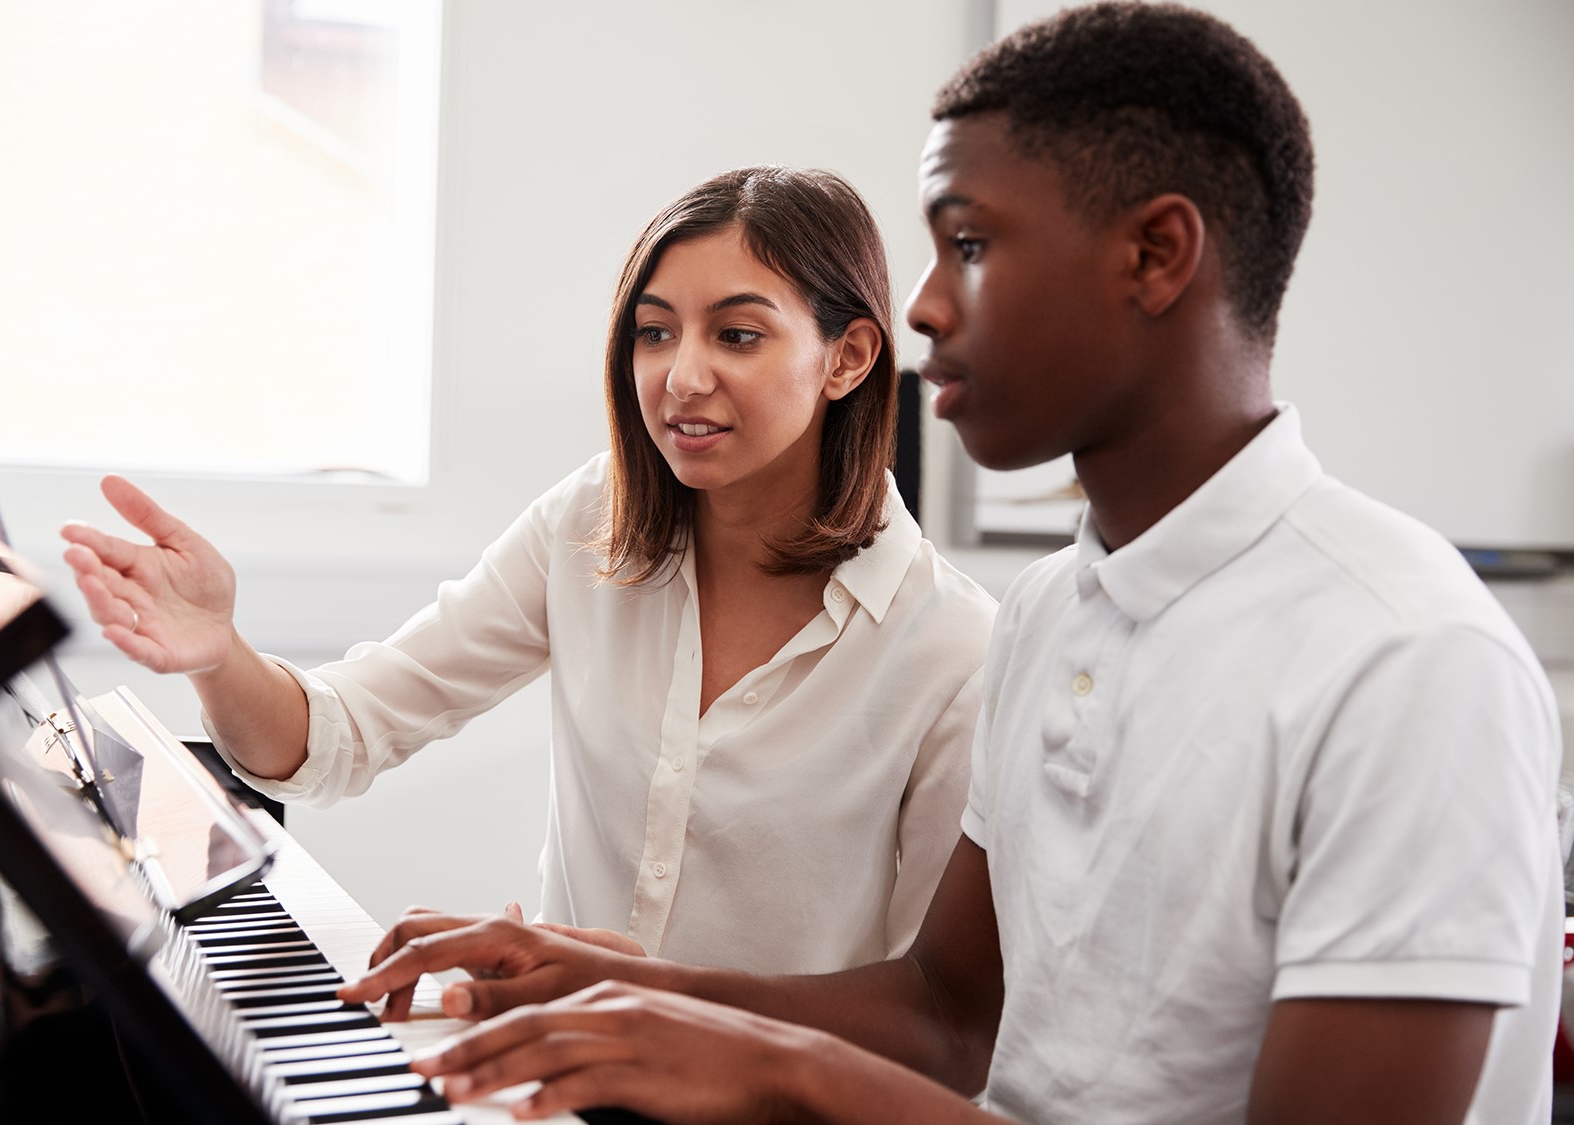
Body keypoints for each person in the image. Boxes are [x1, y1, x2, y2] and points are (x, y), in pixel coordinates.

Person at [333, 4, 1566, 1123]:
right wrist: (619, 987)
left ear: (1153, 256)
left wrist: (769, 1065)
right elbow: (944, 1011)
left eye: (966, 245)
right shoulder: (1052, 612)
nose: (920, 308)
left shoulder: (1407, 662)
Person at [59, 166, 998, 978]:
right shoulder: (592, 524)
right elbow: (341, 736)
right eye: (654, 331)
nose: (679, 376)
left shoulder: (955, 649)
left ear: (848, 356)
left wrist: (643, 1008)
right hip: (560, 1081)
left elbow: (926, 1014)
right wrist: (219, 654)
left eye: (737, 335)